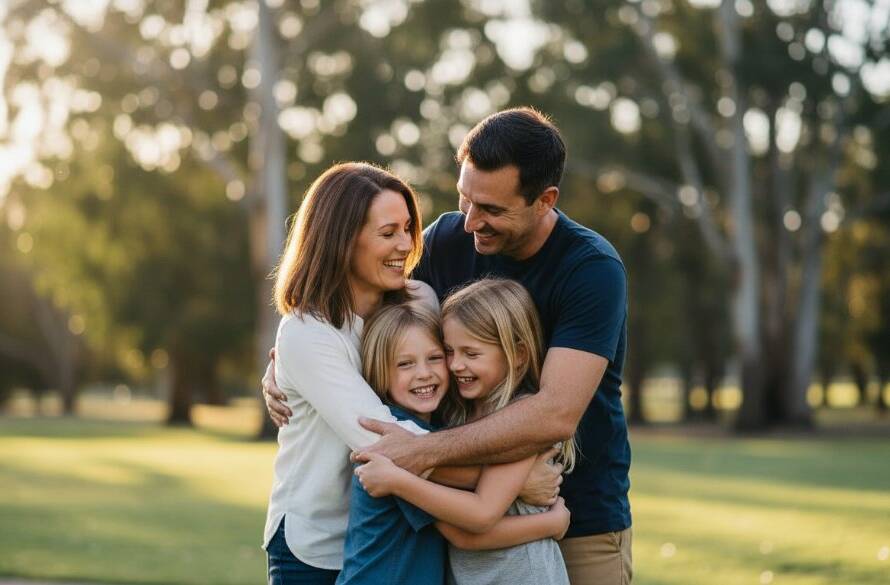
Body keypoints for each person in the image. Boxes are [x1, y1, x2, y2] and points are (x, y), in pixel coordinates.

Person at [264, 108, 632, 585]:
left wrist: (428, 455)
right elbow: (366, 316)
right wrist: (280, 368)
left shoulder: (591, 270)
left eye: (492, 210)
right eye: (465, 200)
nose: (472, 221)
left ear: (545, 200)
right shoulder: (449, 241)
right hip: (453, 516)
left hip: (573, 512)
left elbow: (554, 414)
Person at [355, 279, 572, 585]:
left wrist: (398, 478)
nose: (456, 365)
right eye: (449, 352)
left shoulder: (519, 420)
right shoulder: (455, 415)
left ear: (519, 354)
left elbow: (480, 516)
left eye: (471, 354)